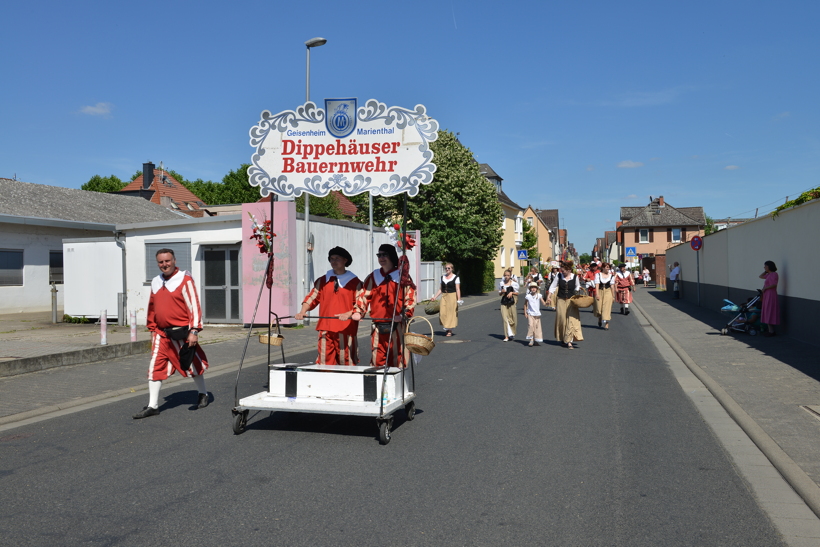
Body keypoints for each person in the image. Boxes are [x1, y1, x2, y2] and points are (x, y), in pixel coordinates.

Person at [133, 248, 209, 419]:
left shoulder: (185, 280)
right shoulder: (155, 281)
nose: (164, 264)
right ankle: (153, 406)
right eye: (161, 262)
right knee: (155, 367)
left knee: (191, 364)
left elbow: (194, 307)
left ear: (174, 260)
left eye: (167, 261)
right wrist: (152, 328)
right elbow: (152, 306)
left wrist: (194, 330)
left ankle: (203, 393)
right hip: (161, 334)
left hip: (182, 333)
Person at [350, 244, 416, 367]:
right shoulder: (373, 277)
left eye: (384, 254)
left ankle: (397, 385)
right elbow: (363, 296)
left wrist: (404, 314)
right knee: (377, 359)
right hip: (378, 325)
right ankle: (379, 385)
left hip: (398, 325)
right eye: (379, 255)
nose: (381, 258)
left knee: (397, 358)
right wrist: (359, 311)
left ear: (391, 256)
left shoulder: (403, 277)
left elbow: (410, 298)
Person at [295, 247, 361, 365]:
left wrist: (349, 313)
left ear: (345, 260)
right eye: (331, 259)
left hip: (345, 328)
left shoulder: (355, 282)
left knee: (346, 361)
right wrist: (302, 311)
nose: (334, 261)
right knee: (325, 362)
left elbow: (361, 304)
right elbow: (312, 297)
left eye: (337, 258)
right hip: (325, 328)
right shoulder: (323, 280)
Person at [546, 260, 584, 349]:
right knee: (562, 319)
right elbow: (552, 286)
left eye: (564, 271)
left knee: (571, 320)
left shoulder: (575, 277)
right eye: (561, 270)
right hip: (561, 300)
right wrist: (549, 296)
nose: (562, 272)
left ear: (569, 270)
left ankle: (569, 341)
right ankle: (563, 338)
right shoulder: (559, 276)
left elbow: (577, 286)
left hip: (571, 300)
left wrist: (579, 288)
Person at [431, 262, 461, 337]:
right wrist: (435, 297)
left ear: (452, 269)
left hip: (452, 296)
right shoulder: (442, 277)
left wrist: (459, 299)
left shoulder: (456, 277)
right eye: (446, 268)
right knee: (443, 313)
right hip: (444, 296)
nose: (447, 269)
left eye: (448, 268)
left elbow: (457, 289)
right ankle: (447, 327)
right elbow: (441, 289)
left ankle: (449, 330)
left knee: (451, 313)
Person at [759, 261, 780, 337]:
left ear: (769, 266)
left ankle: (772, 331)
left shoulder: (774, 274)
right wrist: (765, 271)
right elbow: (760, 276)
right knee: (766, 310)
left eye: (765, 266)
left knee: (770, 310)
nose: (764, 267)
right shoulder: (768, 275)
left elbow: (774, 284)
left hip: (771, 294)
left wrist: (765, 288)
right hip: (767, 294)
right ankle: (770, 330)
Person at [523, 282, 548, 346]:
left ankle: (536, 339)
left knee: (537, 327)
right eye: (532, 288)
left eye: (534, 288)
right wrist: (525, 312)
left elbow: (544, 303)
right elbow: (525, 304)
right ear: (530, 289)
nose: (533, 289)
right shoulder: (528, 296)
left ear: (537, 289)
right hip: (530, 313)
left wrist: (547, 303)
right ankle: (531, 339)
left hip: (537, 314)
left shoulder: (539, 295)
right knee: (531, 325)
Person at [498, 268, 519, 342]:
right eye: (505, 275)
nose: (506, 277)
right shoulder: (501, 283)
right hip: (504, 302)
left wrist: (511, 293)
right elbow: (500, 293)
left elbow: (517, 292)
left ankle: (512, 333)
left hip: (511, 302)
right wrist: (502, 292)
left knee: (512, 318)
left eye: (508, 275)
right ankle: (506, 335)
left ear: (510, 276)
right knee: (505, 318)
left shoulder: (513, 283)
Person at [594, 263, 617, 329]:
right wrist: (597, 294)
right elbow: (597, 285)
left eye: (609, 267)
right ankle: (600, 318)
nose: (608, 269)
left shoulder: (611, 276)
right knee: (599, 308)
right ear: (603, 268)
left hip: (608, 291)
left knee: (607, 308)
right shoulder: (598, 275)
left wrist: (613, 296)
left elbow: (612, 286)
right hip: (600, 291)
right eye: (607, 267)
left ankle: (606, 324)